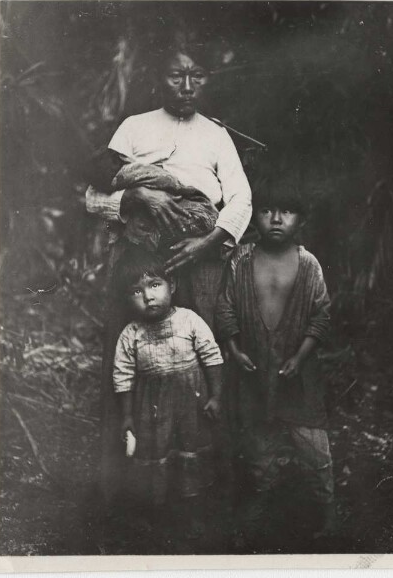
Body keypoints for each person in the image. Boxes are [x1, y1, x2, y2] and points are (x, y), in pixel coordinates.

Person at [85, 42, 252, 501]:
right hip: (139, 257)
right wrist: (138, 199)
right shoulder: (134, 128)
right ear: (160, 79)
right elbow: (92, 195)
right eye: (176, 75)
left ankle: (200, 486)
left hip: (199, 255)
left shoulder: (217, 136)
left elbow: (241, 199)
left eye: (196, 75)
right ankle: (126, 483)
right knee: (129, 354)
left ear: (206, 81)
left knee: (198, 355)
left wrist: (209, 242)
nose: (186, 85)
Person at [215, 173, 335, 543]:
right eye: (267, 211)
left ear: (301, 219)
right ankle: (258, 508)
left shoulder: (309, 264)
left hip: (298, 376)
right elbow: (226, 307)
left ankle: (328, 514)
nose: (277, 220)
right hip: (253, 371)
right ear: (254, 218)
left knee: (314, 448)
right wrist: (234, 348)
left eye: (287, 212)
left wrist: (300, 357)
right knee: (257, 447)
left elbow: (321, 315)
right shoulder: (241, 259)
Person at [112, 245, 223, 536]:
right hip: (152, 410)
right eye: (137, 291)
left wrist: (216, 396)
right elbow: (122, 376)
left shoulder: (189, 320)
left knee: (189, 453)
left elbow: (212, 357)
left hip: (190, 405)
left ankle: (192, 512)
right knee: (157, 457)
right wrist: (126, 416)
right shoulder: (131, 334)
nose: (148, 296)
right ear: (127, 299)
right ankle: (159, 516)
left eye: (154, 284)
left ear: (171, 285)